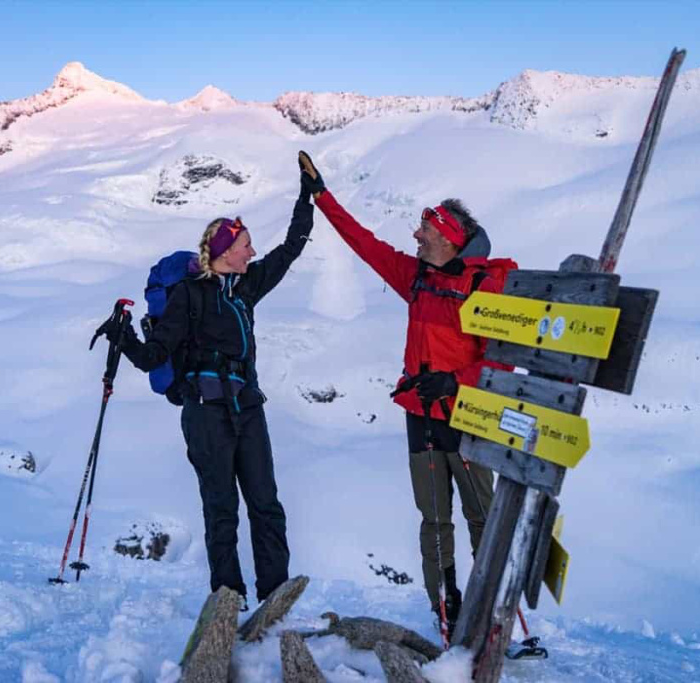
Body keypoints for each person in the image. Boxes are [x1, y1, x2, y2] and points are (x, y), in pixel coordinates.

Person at [298, 151, 515, 636]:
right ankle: (446, 609)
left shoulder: (483, 286)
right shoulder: (416, 277)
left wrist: (454, 381)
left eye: (425, 229)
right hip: (420, 412)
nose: (416, 236)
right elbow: (363, 243)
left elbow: (501, 360)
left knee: (482, 516)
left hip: (467, 415)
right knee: (434, 520)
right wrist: (322, 196)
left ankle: (495, 615)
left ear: (449, 238)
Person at [96, 163, 314, 606]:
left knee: (266, 504)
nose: (253, 252)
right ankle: (228, 599)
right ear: (226, 251)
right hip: (205, 412)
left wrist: (306, 196)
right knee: (221, 509)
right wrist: (124, 337)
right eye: (246, 245)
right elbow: (154, 356)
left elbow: (291, 248)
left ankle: (275, 597)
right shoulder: (189, 295)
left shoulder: (246, 287)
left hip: (248, 407)